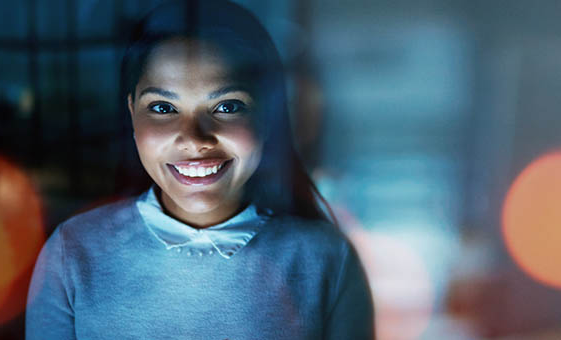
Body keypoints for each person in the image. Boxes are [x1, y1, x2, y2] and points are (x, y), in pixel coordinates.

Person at [25, 1, 375, 338]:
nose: (193, 139)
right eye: (163, 108)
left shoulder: (327, 261)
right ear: (132, 113)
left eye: (227, 106)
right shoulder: (73, 254)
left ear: (268, 113)